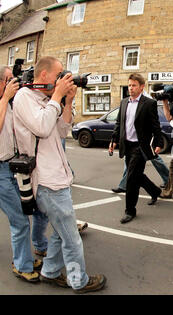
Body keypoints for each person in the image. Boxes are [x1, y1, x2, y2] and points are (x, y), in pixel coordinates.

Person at [13, 56, 106, 293]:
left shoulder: (46, 98)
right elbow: (42, 128)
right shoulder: (25, 97)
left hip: (58, 178)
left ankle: (50, 271)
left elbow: (63, 131)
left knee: (61, 231)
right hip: (46, 181)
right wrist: (56, 96)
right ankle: (79, 280)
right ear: (44, 76)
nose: (61, 79)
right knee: (71, 236)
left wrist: (67, 102)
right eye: (58, 75)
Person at [0, 65, 43, 283]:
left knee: (26, 213)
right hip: (0, 172)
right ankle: (22, 266)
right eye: (8, 80)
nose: (13, 83)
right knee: (19, 221)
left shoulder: (10, 103)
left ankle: (24, 256)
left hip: (12, 167)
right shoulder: (3, 103)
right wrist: (5, 98)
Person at [109, 73, 163, 224]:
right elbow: (119, 124)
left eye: (134, 85)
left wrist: (158, 142)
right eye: (129, 85)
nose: (130, 88)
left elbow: (155, 125)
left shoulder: (149, 103)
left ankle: (130, 211)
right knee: (137, 175)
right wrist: (114, 139)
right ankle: (155, 191)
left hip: (140, 146)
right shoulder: (124, 102)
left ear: (141, 87)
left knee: (132, 178)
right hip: (127, 145)